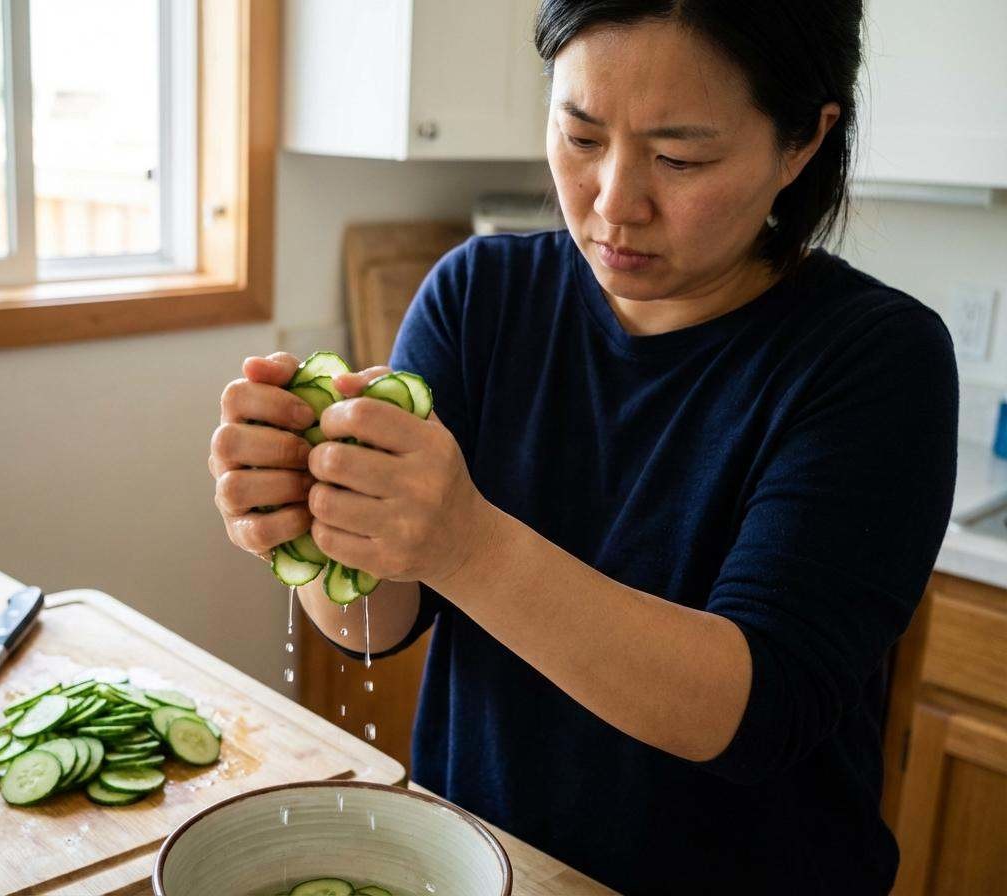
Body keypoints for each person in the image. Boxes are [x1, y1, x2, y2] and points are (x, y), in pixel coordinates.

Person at [209, 1, 958, 892]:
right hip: (486, 866)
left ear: (802, 141)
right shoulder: (478, 296)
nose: (613, 202)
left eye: (681, 158)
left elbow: (752, 712)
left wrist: (465, 541)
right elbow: (377, 623)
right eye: (581, 134)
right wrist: (316, 523)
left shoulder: (876, 361)